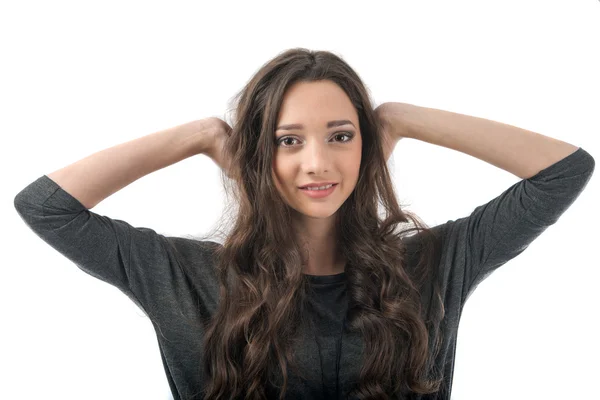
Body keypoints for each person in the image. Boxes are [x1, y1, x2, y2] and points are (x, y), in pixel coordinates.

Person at [13, 48, 595, 400]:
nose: (317, 162)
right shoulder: (184, 275)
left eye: (341, 136)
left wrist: (399, 118)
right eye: (287, 141)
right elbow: (45, 206)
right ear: (256, 154)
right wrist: (201, 136)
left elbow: (564, 172)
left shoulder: (431, 263)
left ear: (366, 147)